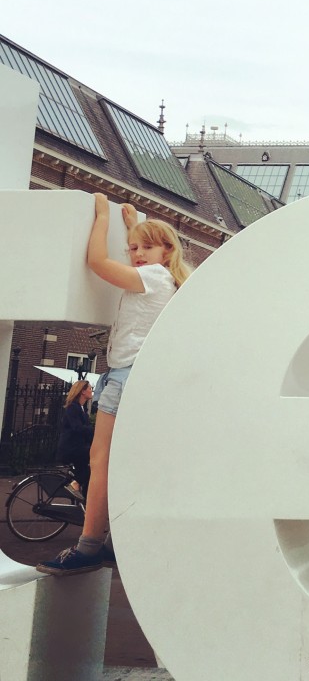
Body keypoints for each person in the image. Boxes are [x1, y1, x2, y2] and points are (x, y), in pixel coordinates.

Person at [38, 195, 190, 576]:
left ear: (167, 250)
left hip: (126, 373)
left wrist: (102, 217)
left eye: (146, 247)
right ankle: (112, 542)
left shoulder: (154, 278)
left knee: (99, 460)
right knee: (119, 462)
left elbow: (96, 263)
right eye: (133, 248)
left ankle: (89, 546)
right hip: (129, 372)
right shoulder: (167, 280)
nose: (137, 254)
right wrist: (131, 226)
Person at [57, 379, 94, 499]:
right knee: (97, 464)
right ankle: (75, 484)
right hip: (72, 449)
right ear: (82, 391)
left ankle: (85, 504)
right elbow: (77, 428)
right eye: (89, 388)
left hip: (78, 448)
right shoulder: (73, 408)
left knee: (90, 472)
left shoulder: (81, 408)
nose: (91, 390)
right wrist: (94, 430)